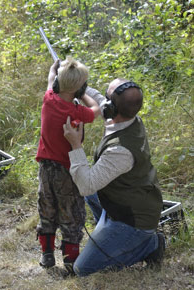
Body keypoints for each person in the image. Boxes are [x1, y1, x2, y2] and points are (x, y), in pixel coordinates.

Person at [63, 78, 165, 276]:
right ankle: (109, 234)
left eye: (107, 97)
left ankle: (150, 245)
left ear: (112, 109)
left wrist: (75, 145)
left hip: (133, 221)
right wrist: (79, 87)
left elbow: (86, 185)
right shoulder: (129, 119)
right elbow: (99, 99)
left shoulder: (120, 150)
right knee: (94, 193)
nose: (103, 100)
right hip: (130, 201)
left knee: (83, 269)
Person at [35, 56, 100, 272]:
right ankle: (70, 259)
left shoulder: (48, 98)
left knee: (47, 207)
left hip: (45, 168)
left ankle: (47, 254)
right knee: (71, 212)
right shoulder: (77, 111)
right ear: (78, 88)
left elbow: (51, 78)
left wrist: (55, 67)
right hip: (67, 170)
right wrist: (84, 95)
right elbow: (96, 110)